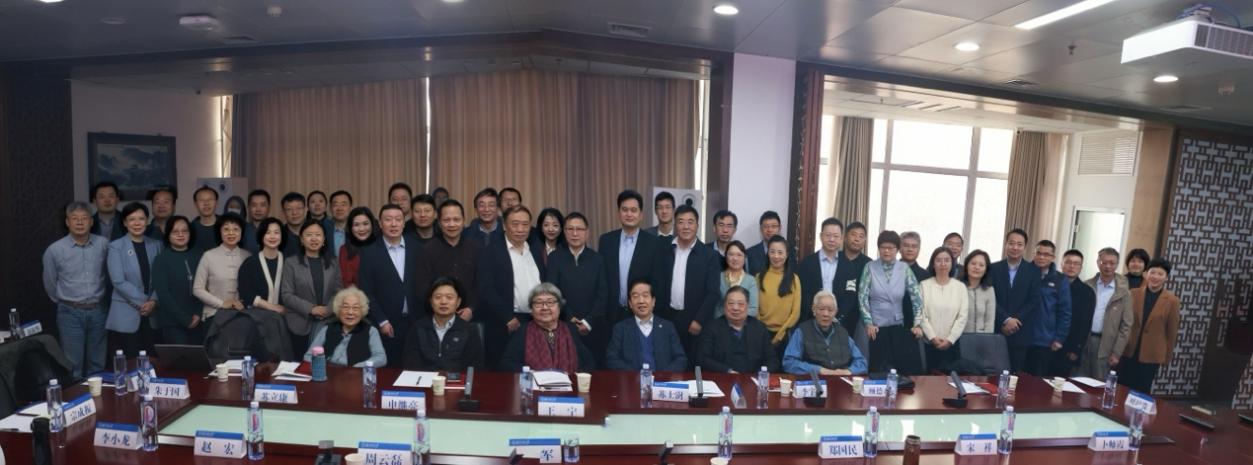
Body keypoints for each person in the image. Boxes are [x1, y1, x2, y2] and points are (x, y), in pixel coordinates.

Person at [42, 202, 109, 378]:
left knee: (98, 363)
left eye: (84, 218)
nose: (80, 222)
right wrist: (66, 302)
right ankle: (76, 396)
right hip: (69, 312)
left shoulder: (103, 245)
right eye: (75, 218)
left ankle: (98, 395)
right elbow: (50, 283)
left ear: (91, 222)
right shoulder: (55, 250)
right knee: (72, 364)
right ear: (67, 222)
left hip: (99, 311)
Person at [477, 206, 546, 368]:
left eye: (525, 224)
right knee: (504, 370)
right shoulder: (491, 251)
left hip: (535, 321)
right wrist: (507, 317)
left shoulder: (535, 249)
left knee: (533, 367)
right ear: (504, 226)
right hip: (506, 322)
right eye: (515, 224)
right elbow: (486, 289)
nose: (520, 229)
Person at [357, 204, 425, 364]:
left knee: (416, 367)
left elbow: (425, 284)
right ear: (380, 224)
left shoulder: (418, 248)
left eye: (398, 219)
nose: (393, 224)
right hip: (388, 324)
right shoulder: (369, 252)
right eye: (388, 220)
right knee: (390, 369)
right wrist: (382, 320)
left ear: (404, 223)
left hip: (416, 321)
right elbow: (366, 291)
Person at [655, 205, 721, 363]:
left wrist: (699, 320)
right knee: (667, 362)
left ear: (697, 225)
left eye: (690, 222)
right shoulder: (664, 250)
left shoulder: (709, 255)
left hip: (694, 321)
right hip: (667, 318)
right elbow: (657, 285)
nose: (685, 226)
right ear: (675, 225)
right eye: (681, 222)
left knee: (694, 365)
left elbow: (713, 292)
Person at [858, 230, 924, 375]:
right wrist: (868, 322)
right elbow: (862, 297)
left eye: (891, 248)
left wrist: (917, 324)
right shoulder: (870, 267)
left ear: (897, 249)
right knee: (877, 371)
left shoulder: (904, 269)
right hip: (876, 327)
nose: (887, 251)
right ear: (878, 248)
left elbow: (917, 297)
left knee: (900, 371)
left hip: (898, 325)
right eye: (883, 247)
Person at [547, 212, 609, 365]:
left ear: (587, 233)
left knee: (593, 369)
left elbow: (603, 294)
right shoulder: (555, 258)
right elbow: (552, 292)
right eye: (570, 229)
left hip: (593, 326)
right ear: (564, 232)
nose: (575, 234)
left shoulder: (598, 259)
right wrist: (569, 317)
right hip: (563, 325)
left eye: (579, 229)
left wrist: (588, 321)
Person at [105, 202, 163, 356]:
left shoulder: (157, 245)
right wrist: (145, 302)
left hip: (152, 315)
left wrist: (154, 301)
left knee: (154, 361)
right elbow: (118, 281)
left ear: (147, 221)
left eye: (141, 219)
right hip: (126, 314)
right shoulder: (116, 247)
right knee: (128, 363)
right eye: (131, 219)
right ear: (125, 223)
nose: (137, 223)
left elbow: (162, 278)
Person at [501, 283, 596, 373]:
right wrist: (530, 373)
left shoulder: (571, 330)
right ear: (531, 310)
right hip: (534, 382)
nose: (545, 307)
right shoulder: (523, 331)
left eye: (550, 302)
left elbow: (589, 362)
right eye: (538, 303)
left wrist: (575, 377)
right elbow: (507, 363)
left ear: (559, 308)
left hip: (569, 383)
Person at [599, 189, 662, 325]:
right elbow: (601, 279)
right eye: (625, 210)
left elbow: (657, 281)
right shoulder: (606, 241)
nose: (629, 214)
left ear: (641, 215)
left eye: (634, 210)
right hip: (611, 313)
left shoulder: (654, 244)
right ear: (618, 213)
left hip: (641, 313)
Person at [281, 220, 343, 357]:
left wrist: (328, 309)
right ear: (302, 240)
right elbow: (286, 294)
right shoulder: (291, 262)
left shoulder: (333, 262)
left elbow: (339, 292)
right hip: (299, 323)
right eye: (309, 235)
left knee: (326, 363)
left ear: (324, 239)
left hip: (328, 321)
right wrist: (311, 309)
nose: (314, 238)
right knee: (300, 364)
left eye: (318, 235)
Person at [1119, 258, 1180, 392]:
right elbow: (1122, 322)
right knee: (1121, 388)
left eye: (1160, 274)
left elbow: (1171, 332)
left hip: (1152, 354)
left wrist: (1167, 357)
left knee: (1141, 391)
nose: (1155, 277)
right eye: (1152, 272)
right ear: (1146, 274)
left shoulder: (1172, 301)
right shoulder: (1133, 293)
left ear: (1166, 278)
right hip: (1128, 349)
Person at [989, 228, 1042, 374]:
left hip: (1020, 332)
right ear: (1006, 244)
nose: (1015, 247)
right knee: (992, 374)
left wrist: (1015, 321)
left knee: (1015, 376)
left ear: (1025, 247)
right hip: (997, 329)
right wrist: (1005, 319)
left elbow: (1034, 300)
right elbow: (990, 297)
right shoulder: (993, 268)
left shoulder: (1034, 271)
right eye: (1011, 243)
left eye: (1019, 244)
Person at [403, 277, 485, 372]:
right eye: (438, 297)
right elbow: (410, 365)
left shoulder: (470, 330)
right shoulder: (418, 328)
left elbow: (475, 368)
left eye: (449, 297)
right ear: (431, 301)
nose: (443, 302)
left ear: (458, 302)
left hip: (457, 380)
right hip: (425, 379)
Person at [417, 200, 478, 319]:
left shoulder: (476, 248)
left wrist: (471, 308)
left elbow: (481, 284)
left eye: (456, 219)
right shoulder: (427, 250)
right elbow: (422, 286)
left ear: (463, 221)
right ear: (439, 223)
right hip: (437, 317)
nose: (452, 224)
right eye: (446, 220)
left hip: (470, 316)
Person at [606, 280, 687, 371]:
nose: (641, 301)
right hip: (632, 379)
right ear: (630, 304)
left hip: (662, 379)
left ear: (653, 301)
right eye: (635, 296)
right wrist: (634, 375)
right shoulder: (620, 328)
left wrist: (663, 376)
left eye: (645, 295)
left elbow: (681, 359)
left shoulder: (668, 327)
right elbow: (611, 358)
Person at [783, 291, 868, 376]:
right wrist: (818, 370)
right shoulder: (802, 331)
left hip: (840, 380)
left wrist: (848, 371)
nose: (826, 314)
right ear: (814, 309)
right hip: (813, 381)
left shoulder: (843, 333)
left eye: (830, 310)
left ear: (836, 312)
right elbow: (789, 363)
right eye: (821, 309)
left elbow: (862, 362)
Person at [150, 216, 205, 344]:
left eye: (185, 231)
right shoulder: (161, 259)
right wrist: (185, 319)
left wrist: (198, 313)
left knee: (200, 357)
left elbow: (206, 287)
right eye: (175, 232)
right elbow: (163, 294)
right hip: (172, 323)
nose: (181, 235)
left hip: (199, 319)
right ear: (168, 234)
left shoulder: (200, 255)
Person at [699, 286, 778, 373]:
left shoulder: (759, 328)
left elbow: (772, 360)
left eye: (740, 304)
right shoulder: (712, 327)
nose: (735, 308)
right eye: (731, 303)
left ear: (747, 306)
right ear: (724, 306)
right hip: (722, 377)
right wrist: (727, 371)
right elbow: (703, 359)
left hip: (753, 378)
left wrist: (759, 374)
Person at [1081, 248, 1133, 380]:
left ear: (1117, 264)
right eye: (1104, 262)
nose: (1108, 266)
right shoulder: (1087, 285)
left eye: (1112, 263)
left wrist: (1117, 352)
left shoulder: (1123, 292)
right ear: (1098, 262)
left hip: (1106, 345)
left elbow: (1126, 325)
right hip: (1084, 341)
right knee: (1078, 381)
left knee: (1099, 383)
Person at [304, 286, 387, 368]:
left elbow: (381, 358)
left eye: (355, 308)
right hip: (327, 372)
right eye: (345, 307)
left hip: (356, 374)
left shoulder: (371, 331)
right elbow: (308, 356)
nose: (350, 312)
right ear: (339, 310)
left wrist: (358, 367)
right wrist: (322, 367)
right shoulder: (327, 328)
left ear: (362, 311)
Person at [1023, 240, 1072, 376]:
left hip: (1045, 340)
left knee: (1038, 381)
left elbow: (1065, 312)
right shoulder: (1023, 273)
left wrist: (1059, 338)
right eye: (1038, 253)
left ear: (1053, 257)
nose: (1041, 257)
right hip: (1022, 336)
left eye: (1046, 254)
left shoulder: (1060, 280)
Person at [192, 214, 251, 326]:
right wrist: (221, 303)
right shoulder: (208, 256)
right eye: (226, 229)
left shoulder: (248, 256)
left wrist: (244, 303)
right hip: (213, 314)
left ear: (242, 232)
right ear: (219, 232)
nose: (231, 233)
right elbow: (197, 289)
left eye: (236, 229)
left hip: (241, 315)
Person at [919, 247, 968, 373]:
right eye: (938, 260)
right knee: (927, 380)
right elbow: (921, 315)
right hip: (928, 344)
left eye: (947, 260)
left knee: (951, 380)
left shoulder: (960, 287)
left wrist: (950, 339)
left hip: (952, 344)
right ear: (933, 264)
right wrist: (932, 337)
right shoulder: (924, 285)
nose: (943, 264)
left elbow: (962, 317)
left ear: (952, 263)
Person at [1053, 249, 1095, 377]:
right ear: (1061, 264)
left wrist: (1077, 349)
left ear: (1081, 267)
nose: (1072, 266)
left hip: (1069, 346)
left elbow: (1085, 323)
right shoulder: (1052, 284)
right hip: (1046, 342)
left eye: (1076, 263)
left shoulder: (1087, 292)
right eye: (1068, 262)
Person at [237, 218, 288, 318]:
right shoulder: (250, 263)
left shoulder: (289, 262)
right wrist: (272, 307)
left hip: (286, 317)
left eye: (276, 232)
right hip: (256, 318)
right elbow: (245, 292)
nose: (272, 236)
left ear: (282, 236)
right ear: (261, 235)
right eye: (268, 232)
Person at [756, 235, 802, 347]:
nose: (776, 256)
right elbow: (754, 308)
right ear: (767, 253)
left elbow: (795, 313)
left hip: (785, 335)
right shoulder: (759, 277)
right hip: (761, 333)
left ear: (787, 254)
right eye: (772, 252)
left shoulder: (794, 279)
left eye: (780, 252)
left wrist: (780, 335)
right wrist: (761, 330)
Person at [798, 217, 843, 324]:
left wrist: (837, 317)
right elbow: (803, 294)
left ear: (841, 238)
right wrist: (815, 314)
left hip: (838, 323)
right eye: (828, 235)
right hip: (811, 321)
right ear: (821, 236)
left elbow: (850, 296)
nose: (831, 239)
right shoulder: (807, 263)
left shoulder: (848, 265)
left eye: (836, 236)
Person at [836, 221, 872, 335]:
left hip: (858, 318)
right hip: (833, 313)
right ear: (845, 238)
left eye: (861, 236)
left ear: (865, 241)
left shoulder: (869, 265)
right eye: (853, 234)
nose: (857, 239)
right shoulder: (834, 258)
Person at [717, 241, 759, 319]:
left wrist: (735, 315)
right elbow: (715, 306)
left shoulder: (751, 280)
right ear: (726, 257)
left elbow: (754, 309)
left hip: (744, 323)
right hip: (720, 322)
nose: (735, 258)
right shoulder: (718, 278)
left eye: (739, 255)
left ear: (745, 258)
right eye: (731, 254)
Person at [339, 207, 377, 288]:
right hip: (354, 295)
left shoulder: (381, 247)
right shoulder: (345, 250)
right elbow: (345, 281)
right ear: (350, 228)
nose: (361, 229)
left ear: (372, 225)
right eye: (356, 225)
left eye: (365, 224)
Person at [961, 250, 997, 334]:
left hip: (981, 338)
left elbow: (989, 321)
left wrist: (986, 339)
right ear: (966, 266)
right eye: (973, 264)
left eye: (981, 265)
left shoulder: (989, 290)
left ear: (986, 269)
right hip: (958, 337)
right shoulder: (958, 287)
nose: (977, 267)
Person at [746, 211, 782, 275]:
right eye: (766, 226)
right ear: (760, 229)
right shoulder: (749, 253)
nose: (770, 230)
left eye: (773, 226)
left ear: (780, 228)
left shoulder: (789, 252)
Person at [190, 186, 220, 252]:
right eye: (201, 200)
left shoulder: (227, 226)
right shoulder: (190, 229)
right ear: (195, 204)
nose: (206, 203)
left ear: (217, 203)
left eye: (210, 200)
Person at [241, 189, 271, 254]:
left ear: (269, 207)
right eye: (254, 205)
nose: (258, 209)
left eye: (262, 205)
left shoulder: (276, 230)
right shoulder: (242, 230)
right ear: (248, 208)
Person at [279, 192, 307, 257]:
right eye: (289, 209)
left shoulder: (317, 232)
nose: (294, 213)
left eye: (299, 208)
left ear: (306, 210)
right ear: (283, 212)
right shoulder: (279, 236)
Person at [328, 190, 353, 256]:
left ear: (350, 208)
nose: (339, 208)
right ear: (330, 208)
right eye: (335, 205)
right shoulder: (324, 229)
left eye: (343, 204)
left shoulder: (357, 229)